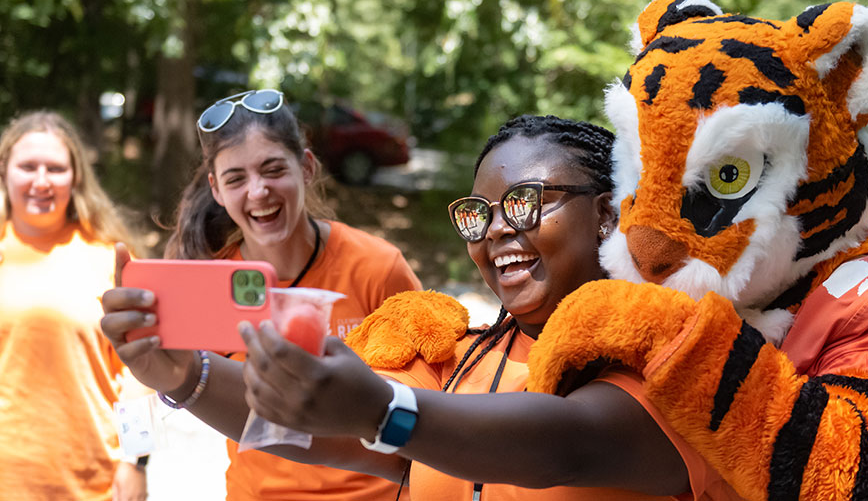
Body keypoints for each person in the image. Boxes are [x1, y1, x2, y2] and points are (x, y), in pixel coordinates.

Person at [101, 114, 740, 500]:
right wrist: (184, 374)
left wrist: (385, 411)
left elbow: (564, 445)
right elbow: (305, 425)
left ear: (607, 212)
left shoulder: (677, 351)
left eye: (523, 203)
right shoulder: (458, 361)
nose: (494, 231)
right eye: (478, 215)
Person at [157, 89, 423, 500]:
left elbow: (427, 405)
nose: (258, 191)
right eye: (236, 178)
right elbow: (174, 378)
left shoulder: (378, 267)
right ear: (216, 188)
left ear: (307, 167)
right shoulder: (212, 283)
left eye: (273, 169)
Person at [0, 110, 148, 501]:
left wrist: (135, 463)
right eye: (28, 166)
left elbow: (140, 373)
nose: (41, 181)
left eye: (56, 168)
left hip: (92, 483)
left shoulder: (110, 258)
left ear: (76, 176)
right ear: (5, 171)